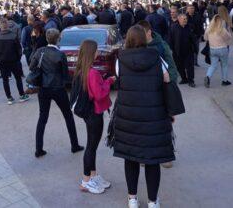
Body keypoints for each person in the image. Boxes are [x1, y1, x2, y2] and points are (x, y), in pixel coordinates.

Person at [113, 26, 173, 208]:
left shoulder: (120, 60)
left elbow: (119, 80)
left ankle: (132, 199)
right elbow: (167, 80)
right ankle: (153, 201)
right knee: (152, 160)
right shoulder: (157, 58)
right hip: (153, 114)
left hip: (128, 115)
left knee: (130, 157)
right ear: (144, 39)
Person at [29, 28, 83, 157]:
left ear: (47, 38)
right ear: (58, 39)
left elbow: (32, 67)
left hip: (43, 88)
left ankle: (38, 149)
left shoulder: (40, 51)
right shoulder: (60, 55)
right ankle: (74, 145)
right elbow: (65, 75)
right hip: (58, 89)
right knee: (68, 116)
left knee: (42, 117)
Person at [74, 40, 113, 194]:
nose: (98, 53)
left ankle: (93, 175)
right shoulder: (93, 72)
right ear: (92, 53)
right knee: (91, 146)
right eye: (96, 50)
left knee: (92, 146)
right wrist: (109, 82)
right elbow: (99, 94)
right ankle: (86, 181)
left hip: (88, 112)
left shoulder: (82, 70)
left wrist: (102, 82)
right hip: (94, 113)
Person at [0, 20, 29, 104]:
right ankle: (21, 95)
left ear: (1, 28)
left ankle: (9, 97)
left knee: (5, 80)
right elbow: (19, 50)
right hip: (14, 60)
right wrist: (18, 58)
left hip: (2, 62)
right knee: (18, 78)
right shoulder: (13, 36)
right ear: (7, 27)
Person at [203, 15, 233, 88]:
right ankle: (224, 81)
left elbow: (205, 38)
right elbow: (228, 37)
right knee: (224, 65)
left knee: (213, 65)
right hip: (222, 49)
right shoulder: (222, 29)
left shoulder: (209, 29)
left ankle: (208, 76)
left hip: (212, 49)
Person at [168, 13, 197, 87]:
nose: (185, 20)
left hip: (188, 51)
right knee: (179, 66)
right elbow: (170, 39)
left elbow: (193, 38)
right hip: (177, 51)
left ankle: (191, 80)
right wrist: (172, 49)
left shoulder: (190, 27)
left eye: (186, 19)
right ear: (179, 19)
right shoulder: (173, 27)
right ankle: (184, 78)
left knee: (190, 67)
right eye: (183, 19)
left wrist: (195, 48)